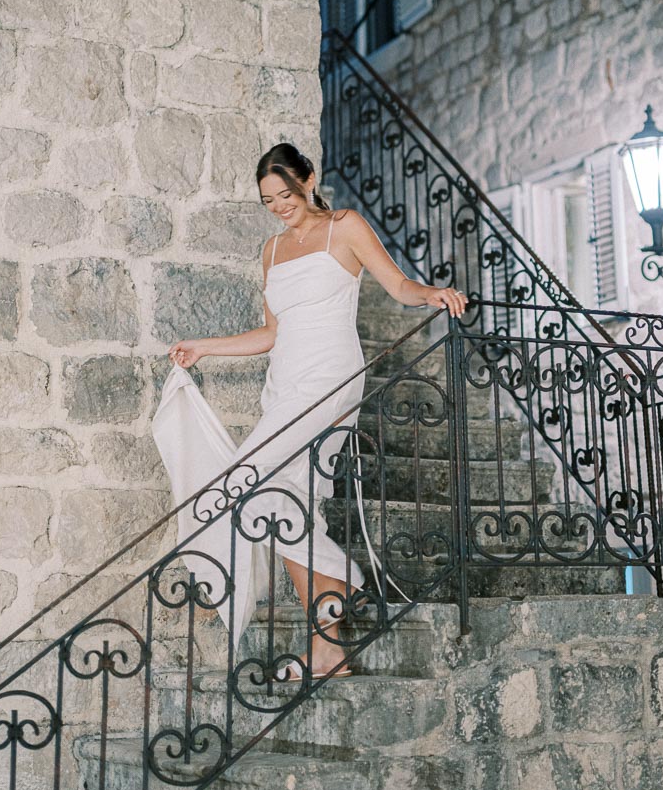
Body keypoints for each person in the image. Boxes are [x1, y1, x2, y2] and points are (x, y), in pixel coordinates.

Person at [152, 142, 467, 680]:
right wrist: (205, 347)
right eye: (268, 199)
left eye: (286, 194)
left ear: (309, 179)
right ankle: (327, 645)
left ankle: (342, 582)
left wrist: (432, 293)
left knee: (254, 486)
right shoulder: (272, 251)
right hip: (287, 380)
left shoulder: (344, 227)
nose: (278, 205)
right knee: (278, 504)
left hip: (331, 374)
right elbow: (273, 333)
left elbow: (396, 284)